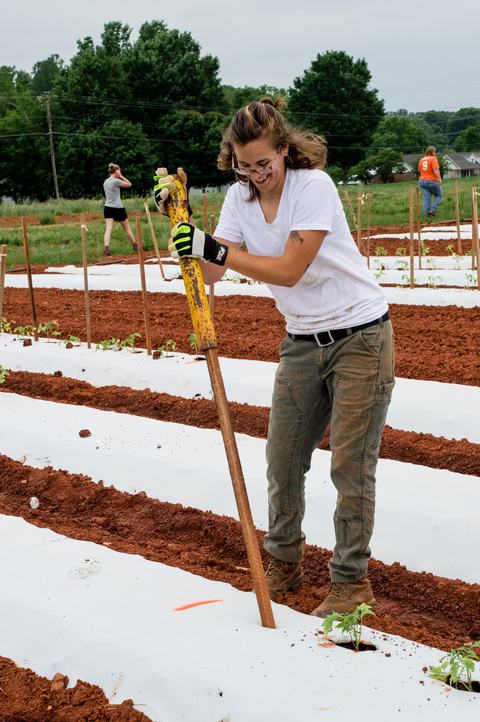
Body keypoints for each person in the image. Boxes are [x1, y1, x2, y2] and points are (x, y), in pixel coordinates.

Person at [156, 98, 395, 617]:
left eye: (264, 163)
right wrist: (186, 233)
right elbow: (215, 272)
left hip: (361, 337)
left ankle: (351, 583)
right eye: (245, 165)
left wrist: (212, 250)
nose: (257, 174)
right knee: (282, 460)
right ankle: (283, 565)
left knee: (351, 466)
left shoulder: (314, 188)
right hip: (303, 342)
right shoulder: (239, 200)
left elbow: (289, 270)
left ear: (284, 151)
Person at [103, 163, 138, 256]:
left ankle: (106, 248)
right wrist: (121, 176)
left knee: (108, 228)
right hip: (118, 208)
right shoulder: (116, 181)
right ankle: (135, 245)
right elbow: (129, 184)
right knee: (127, 228)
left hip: (107, 207)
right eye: (119, 171)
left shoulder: (105, 182)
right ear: (116, 171)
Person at [418, 146, 442, 217]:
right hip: (432, 181)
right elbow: (436, 169)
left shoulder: (421, 159)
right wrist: (439, 179)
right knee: (439, 195)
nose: (435, 153)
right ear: (432, 152)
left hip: (422, 181)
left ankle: (426, 215)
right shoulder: (433, 158)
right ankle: (433, 210)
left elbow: (420, 170)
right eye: (434, 152)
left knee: (426, 198)